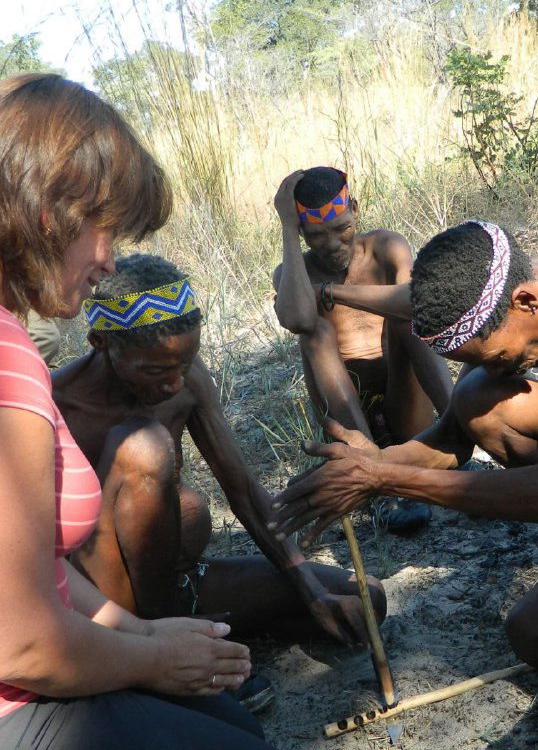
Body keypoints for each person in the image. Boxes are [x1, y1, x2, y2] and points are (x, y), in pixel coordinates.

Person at [0, 72, 275, 749]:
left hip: (60, 646)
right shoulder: (13, 366)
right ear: (50, 211)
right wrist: (153, 662)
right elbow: (22, 643)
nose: (107, 261)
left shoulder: (13, 342)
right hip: (21, 693)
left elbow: (38, 571)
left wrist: (143, 634)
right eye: (105, 230)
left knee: (235, 722)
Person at [268, 220, 538, 668]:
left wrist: (385, 480)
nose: (503, 371)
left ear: (526, 303)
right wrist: (372, 462)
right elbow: (452, 436)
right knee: (477, 397)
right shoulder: (505, 286)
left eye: (499, 357)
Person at [53, 253, 385, 653]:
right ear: (100, 343)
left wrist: (312, 591)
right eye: (155, 371)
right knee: (143, 444)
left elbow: (243, 491)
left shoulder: (187, 379)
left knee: (364, 601)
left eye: (184, 364)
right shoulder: (56, 405)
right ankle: (162, 651)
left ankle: (193, 637)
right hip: (105, 609)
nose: (174, 385)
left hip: (181, 585)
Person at [272, 168, 453, 532]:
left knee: (405, 315)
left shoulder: (386, 248)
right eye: (315, 235)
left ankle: (459, 429)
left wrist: (332, 292)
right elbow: (297, 319)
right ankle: (372, 479)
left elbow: (414, 302)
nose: (332, 243)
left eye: (341, 228)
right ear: (301, 232)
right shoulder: (292, 274)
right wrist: (287, 228)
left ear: (354, 210)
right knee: (315, 331)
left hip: (405, 403)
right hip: (348, 420)